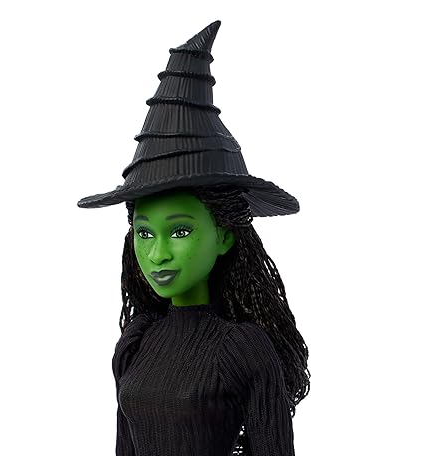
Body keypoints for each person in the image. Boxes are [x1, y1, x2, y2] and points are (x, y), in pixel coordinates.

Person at [78, 20, 310, 456]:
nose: (157, 253)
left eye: (180, 231)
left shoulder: (243, 350)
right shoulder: (137, 341)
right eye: (144, 233)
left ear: (224, 235)